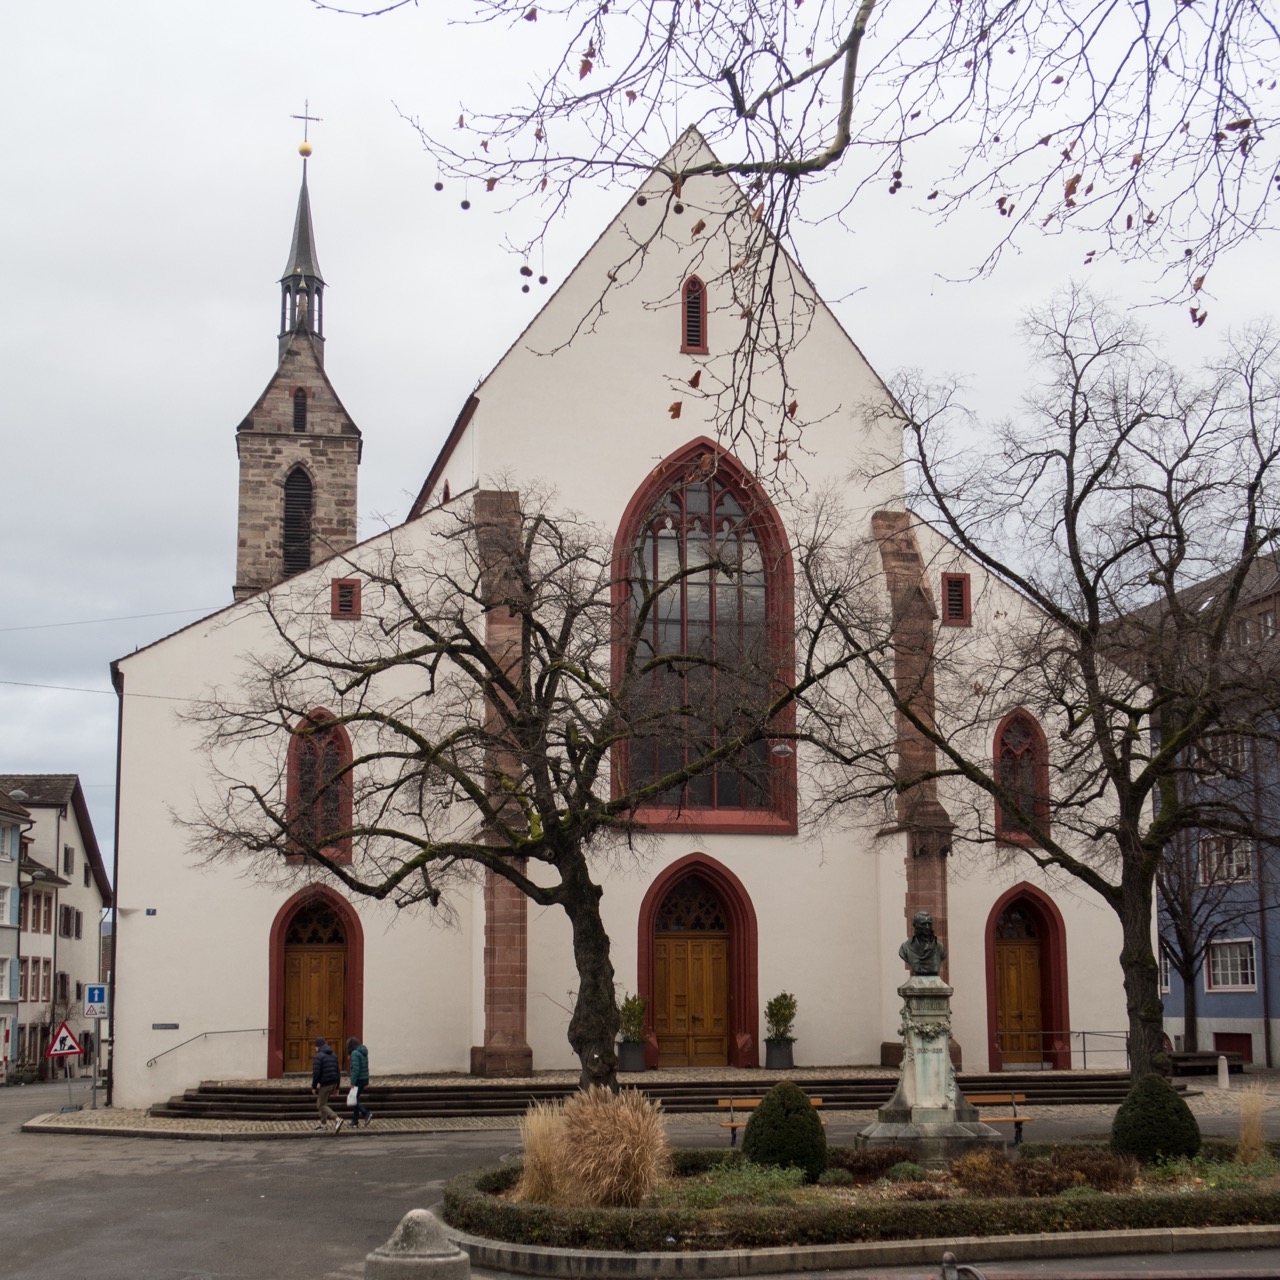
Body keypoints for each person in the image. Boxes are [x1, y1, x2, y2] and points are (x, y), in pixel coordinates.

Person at [311, 1037, 343, 1134]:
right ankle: (323, 1125)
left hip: (325, 1083)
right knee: (322, 1102)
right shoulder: (333, 1055)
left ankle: (337, 1119)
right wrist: (337, 1087)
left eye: (315, 1047)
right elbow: (338, 1072)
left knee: (321, 1104)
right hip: (333, 1082)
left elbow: (316, 1073)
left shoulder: (319, 1056)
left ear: (318, 1046)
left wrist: (313, 1086)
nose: (315, 1049)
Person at [899, 911, 946, 976]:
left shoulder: (940, 948)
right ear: (915, 925)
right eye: (923, 924)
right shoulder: (905, 948)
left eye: (929, 924)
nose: (927, 927)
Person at [346, 1036, 372, 1128]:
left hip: (358, 1079)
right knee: (355, 1099)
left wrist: (352, 1082)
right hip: (363, 1079)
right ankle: (355, 1121)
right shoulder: (363, 1052)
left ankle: (366, 1113)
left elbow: (355, 1069)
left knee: (354, 1100)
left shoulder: (355, 1053)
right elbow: (366, 1067)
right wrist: (367, 1081)